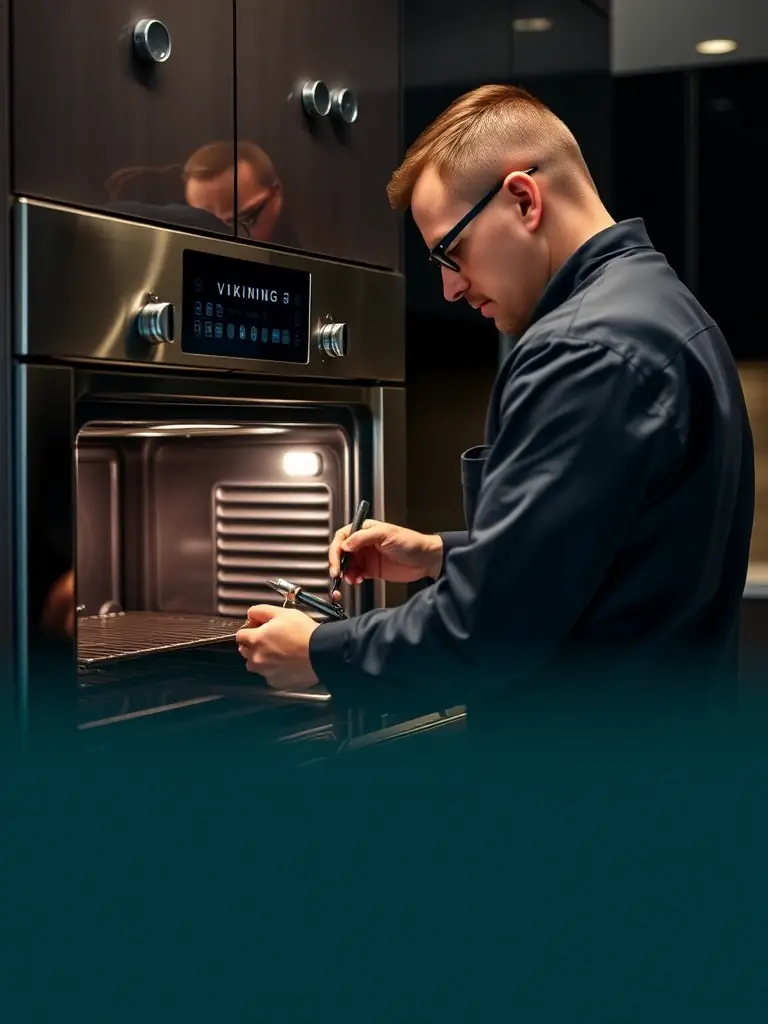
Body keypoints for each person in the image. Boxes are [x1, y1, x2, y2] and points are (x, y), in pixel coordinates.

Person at [235, 84, 755, 728]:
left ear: (523, 199)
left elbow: (490, 630)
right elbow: (605, 554)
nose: (451, 288)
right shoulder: (660, 308)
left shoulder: (583, 349)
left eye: (450, 253)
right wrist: (443, 554)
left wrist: (320, 650)